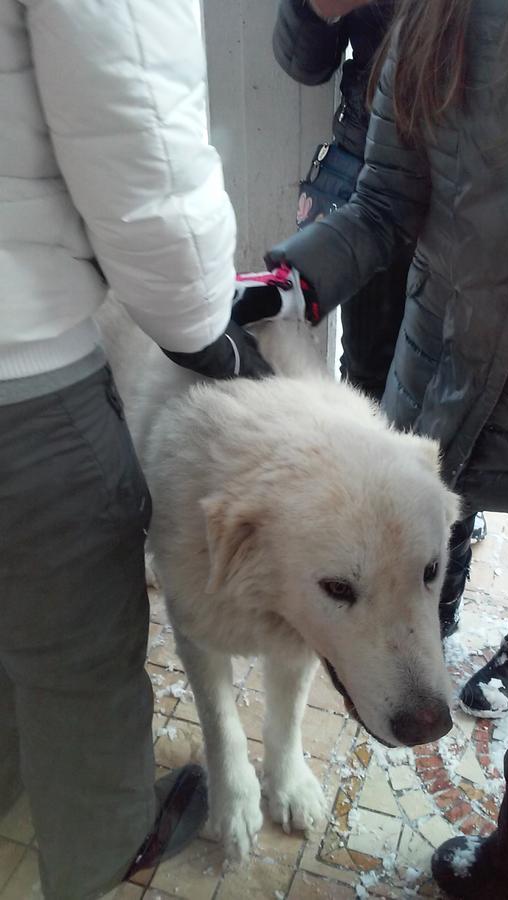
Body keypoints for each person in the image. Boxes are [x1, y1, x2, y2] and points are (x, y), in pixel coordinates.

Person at [233, 0, 508, 894]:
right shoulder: (439, 18)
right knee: (416, 550)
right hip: (438, 382)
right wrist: (286, 282)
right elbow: (384, 201)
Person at [0, 1, 270, 898]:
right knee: (74, 655)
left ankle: (5, 782)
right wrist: (210, 336)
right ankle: (108, 849)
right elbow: (141, 147)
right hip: (22, 369)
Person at [273, 0, 408, 402]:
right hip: (374, 173)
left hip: (489, 187)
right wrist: (314, 9)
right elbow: (305, 63)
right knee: (368, 376)